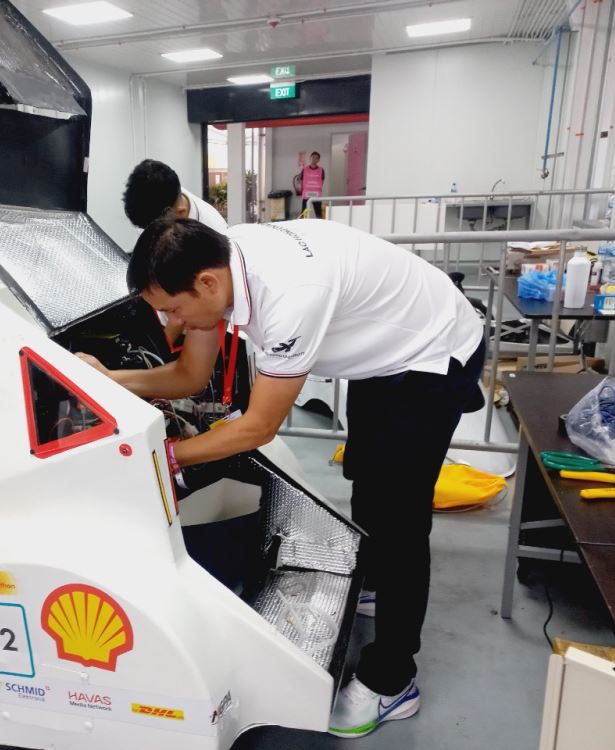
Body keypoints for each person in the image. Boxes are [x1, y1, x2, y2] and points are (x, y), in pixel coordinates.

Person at [77, 217, 484, 740]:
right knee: (367, 479)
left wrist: (166, 457)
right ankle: (379, 587)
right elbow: (190, 376)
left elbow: (258, 427)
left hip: (432, 353)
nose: (170, 321)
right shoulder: (219, 268)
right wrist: (108, 380)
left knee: (398, 517)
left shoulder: (290, 296)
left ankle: (393, 680)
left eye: (172, 309)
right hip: (382, 355)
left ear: (206, 283)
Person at [123, 159, 227, 345]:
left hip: (196, 317)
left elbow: (189, 299)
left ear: (180, 212)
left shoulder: (212, 233)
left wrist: (160, 348)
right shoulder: (159, 202)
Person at [123, 158, 227, 234]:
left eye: (157, 229)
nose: (150, 235)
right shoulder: (156, 203)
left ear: (181, 212)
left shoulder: (214, 231)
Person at [300, 151, 326, 218]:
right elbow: (301, 180)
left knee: (318, 212)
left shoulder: (321, 170)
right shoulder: (304, 169)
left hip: (316, 194)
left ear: (318, 160)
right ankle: (302, 223)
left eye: (316, 158)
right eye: (313, 157)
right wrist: (302, 189)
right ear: (310, 158)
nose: (314, 159)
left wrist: (316, 188)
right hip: (306, 193)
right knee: (304, 212)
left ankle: (319, 223)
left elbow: (322, 180)